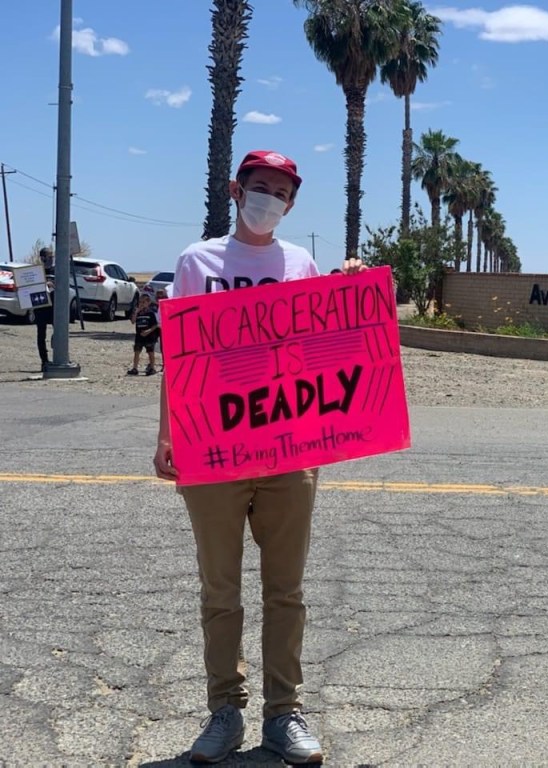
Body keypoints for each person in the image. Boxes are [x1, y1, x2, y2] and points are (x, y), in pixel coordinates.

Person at [153, 150, 365, 764]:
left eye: (281, 192)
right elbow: (180, 355)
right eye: (260, 187)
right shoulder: (199, 261)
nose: (269, 198)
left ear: (292, 204)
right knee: (220, 590)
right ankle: (224, 711)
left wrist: (349, 289)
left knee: (286, 590)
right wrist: (167, 434)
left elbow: (329, 345)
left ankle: (284, 713)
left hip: (290, 446)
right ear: (235, 189)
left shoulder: (301, 263)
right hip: (215, 444)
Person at [127, 292, 159, 376]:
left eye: (144, 302)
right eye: (140, 302)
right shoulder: (138, 313)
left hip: (149, 336)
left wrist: (148, 331)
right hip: (139, 336)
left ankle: (152, 367)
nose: (142, 304)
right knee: (137, 351)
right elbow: (133, 321)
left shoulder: (151, 313)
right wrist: (136, 312)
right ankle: (135, 368)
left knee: (150, 352)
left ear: (148, 303)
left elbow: (155, 325)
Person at [34, 247, 55, 373]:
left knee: (59, 332)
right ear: (42, 258)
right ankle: (44, 361)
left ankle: (59, 357)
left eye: (51, 256)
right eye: (47, 256)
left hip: (55, 307)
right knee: (41, 335)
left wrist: (53, 284)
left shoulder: (56, 269)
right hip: (40, 306)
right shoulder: (36, 272)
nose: (49, 258)